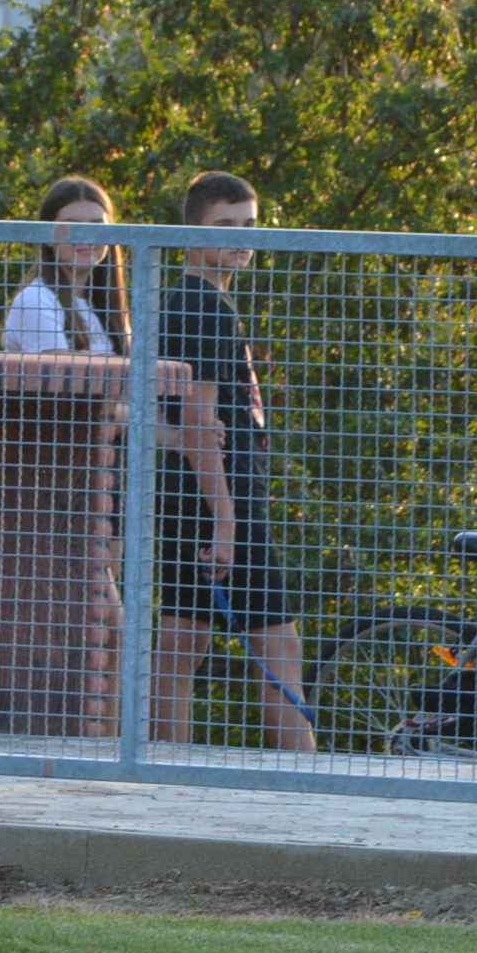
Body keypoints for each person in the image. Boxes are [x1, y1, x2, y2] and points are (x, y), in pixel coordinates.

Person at [149, 170, 314, 753]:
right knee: (277, 643)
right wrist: (226, 520)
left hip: (213, 492)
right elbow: (198, 420)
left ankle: (165, 768)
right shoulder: (201, 306)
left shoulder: (205, 300)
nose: (242, 239)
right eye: (225, 227)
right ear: (192, 234)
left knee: (184, 639)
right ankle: (308, 788)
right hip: (217, 497)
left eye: (250, 226)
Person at [0, 175, 126, 356]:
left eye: (96, 225)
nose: (85, 236)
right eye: (73, 226)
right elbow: (62, 377)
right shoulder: (37, 300)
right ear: (48, 236)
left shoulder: (103, 306)